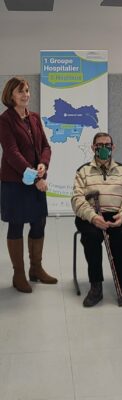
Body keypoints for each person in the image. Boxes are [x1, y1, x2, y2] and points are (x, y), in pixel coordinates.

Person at [71, 132, 122, 307]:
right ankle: (96, 286)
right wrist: (93, 217)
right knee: (92, 237)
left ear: (113, 147)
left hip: (117, 214)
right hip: (91, 215)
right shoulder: (83, 172)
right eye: (99, 145)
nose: (103, 148)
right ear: (93, 148)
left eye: (107, 145)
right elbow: (77, 199)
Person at [0, 77, 57, 293]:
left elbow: (45, 146)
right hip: (15, 182)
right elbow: (12, 153)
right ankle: (19, 274)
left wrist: (43, 163)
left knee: (38, 222)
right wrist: (37, 178)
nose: (25, 94)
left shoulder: (34, 117)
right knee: (16, 225)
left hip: (35, 179)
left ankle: (36, 269)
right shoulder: (5, 120)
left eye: (27, 90)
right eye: (20, 91)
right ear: (10, 95)